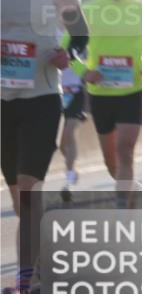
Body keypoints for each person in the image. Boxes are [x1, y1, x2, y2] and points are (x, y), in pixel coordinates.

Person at [1, 0, 88, 294]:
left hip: (41, 99)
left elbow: (82, 37)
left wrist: (65, 54)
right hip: (2, 103)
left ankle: (21, 290)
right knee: (20, 198)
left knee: (30, 190)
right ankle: (34, 261)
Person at [70, 0, 142, 208]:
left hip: (133, 89)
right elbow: (66, 47)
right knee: (111, 161)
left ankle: (122, 207)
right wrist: (84, 71)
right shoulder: (89, 11)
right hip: (101, 93)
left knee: (125, 150)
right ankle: (130, 187)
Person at [58, 54, 87, 202]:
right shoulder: (47, 32)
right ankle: (73, 169)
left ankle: (68, 181)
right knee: (62, 145)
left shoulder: (78, 34)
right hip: (57, 92)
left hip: (75, 93)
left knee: (70, 133)